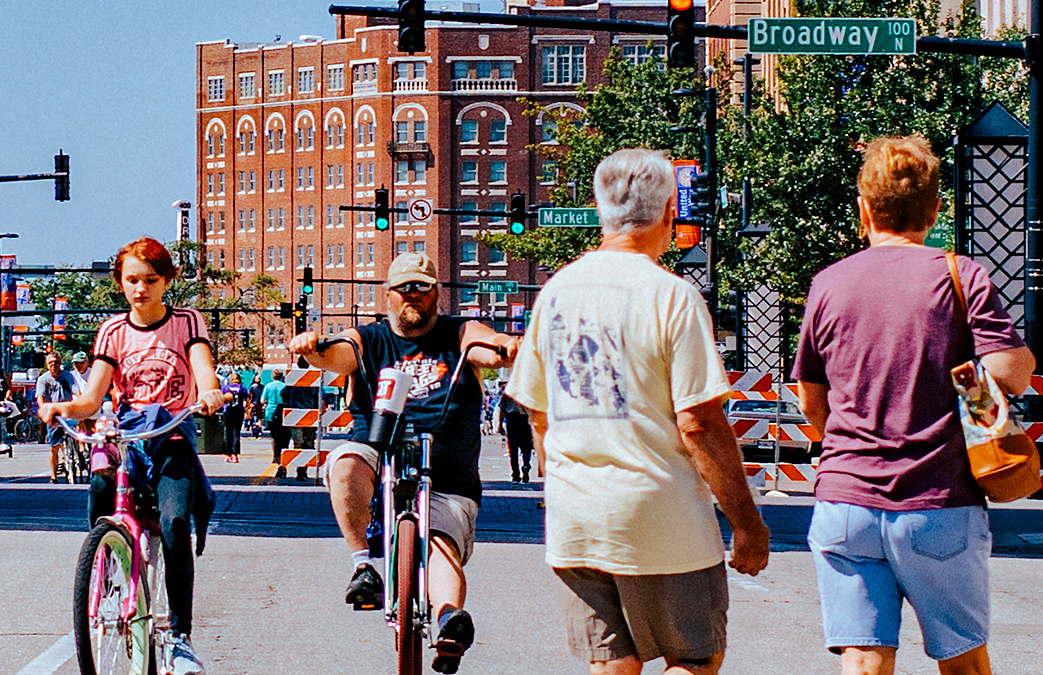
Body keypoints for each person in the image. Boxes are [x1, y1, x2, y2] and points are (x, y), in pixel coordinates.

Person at [504, 146, 769, 675]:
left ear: (600, 210)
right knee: (695, 658)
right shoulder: (672, 297)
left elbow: (537, 413)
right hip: (659, 516)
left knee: (612, 663)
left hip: (576, 516)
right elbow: (699, 421)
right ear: (670, 212)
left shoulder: (555, 292)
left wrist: (555, 480)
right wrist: (746, 522)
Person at [792, 135, 1034, 675]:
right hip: (938, 502)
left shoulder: (828, 285)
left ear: (864, 207)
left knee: (862, 657)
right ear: (935, 209)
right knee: (963, 660)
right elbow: (1012, 371)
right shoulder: (961, 276)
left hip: (846, 503)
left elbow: (813, 399)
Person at [289, 253, 520, 672]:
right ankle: (364, 568)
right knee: (344, 463)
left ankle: (449, 618)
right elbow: (338, 354)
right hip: (377, 454)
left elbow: (486, 347)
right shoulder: (370, 338)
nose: (413, 296)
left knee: (440, 545)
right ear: (389, 295)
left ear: (436, 293)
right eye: (404, 288)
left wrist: (506, 347)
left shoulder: (458, 332)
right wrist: (313, 349)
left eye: (422, 287)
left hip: (448, 475)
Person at [40, 236, 225, 675]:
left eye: (150, 280)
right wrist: (64, 408)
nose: (140, 289)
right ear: (120, 284)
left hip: (171, 433)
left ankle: (180, 638)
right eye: (132, 280)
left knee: (176, 521)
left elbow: (203, 369)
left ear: (166, 282)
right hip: (128, 434)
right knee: (102, 478)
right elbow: (91, 398)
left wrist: (212, 390)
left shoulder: (187, 322)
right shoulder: (112, 331)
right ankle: (102, 561)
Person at [34, 351, 78, 480]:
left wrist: (80, 404)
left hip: (67, 411)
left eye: (56, 362)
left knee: (77, 433)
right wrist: (43, 410)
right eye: (51, 362)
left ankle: (79, 454)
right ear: (47, 365)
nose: (54, 365)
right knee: (54, 447)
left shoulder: (67, 376)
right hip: (53, 414)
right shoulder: (43, 379)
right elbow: (40, 397)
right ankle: (54, 475)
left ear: (60, 363)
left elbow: (76, 391)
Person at [498, 385, 534, 485]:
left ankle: (515, 475)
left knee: (513, 448)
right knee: (526, 446)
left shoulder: (508, 391)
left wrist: (500, 424)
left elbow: (502, 409)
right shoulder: (528, 391)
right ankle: (526, 464)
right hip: (525, 419)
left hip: (512, 419)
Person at [260, 367, 288, 465]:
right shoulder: (285, 386)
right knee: (284, 435)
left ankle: (276, 455)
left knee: (274, 435)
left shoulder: (268, 386)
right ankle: (284, 454)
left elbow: (262, 400)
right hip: (283, 412)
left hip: (270, 412)